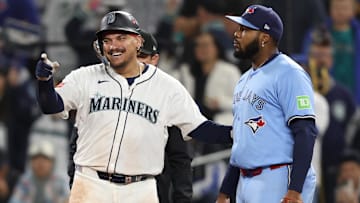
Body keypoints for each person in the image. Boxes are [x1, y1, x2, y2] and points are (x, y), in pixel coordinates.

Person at [35, 11, 232, 203]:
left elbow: (200, 128)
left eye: (121, 37)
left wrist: (235, 134)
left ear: (138, 42)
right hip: (91, 183)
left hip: (140, 189)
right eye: (107, 40)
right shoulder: (84, 76)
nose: (114, 46)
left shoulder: (167, 87)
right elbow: (50, 105)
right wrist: (45, 81)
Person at [217, 5, 318, 203]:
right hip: (245, 180)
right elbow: (242, 142)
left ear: (264, 38)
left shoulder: (290, 73)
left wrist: (295, 190)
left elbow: (305, 131)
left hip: (278, 177)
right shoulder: (244, 79)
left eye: (245, 30)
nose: (237, 34)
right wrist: (225, 191)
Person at [137, 29, 193, 203]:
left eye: (142, 57)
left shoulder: (167, 95)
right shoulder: (107, 91)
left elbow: (179, 157)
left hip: (152, 191)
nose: (136, 63)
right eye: (133, 56)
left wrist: (182, 198)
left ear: (154, 60)